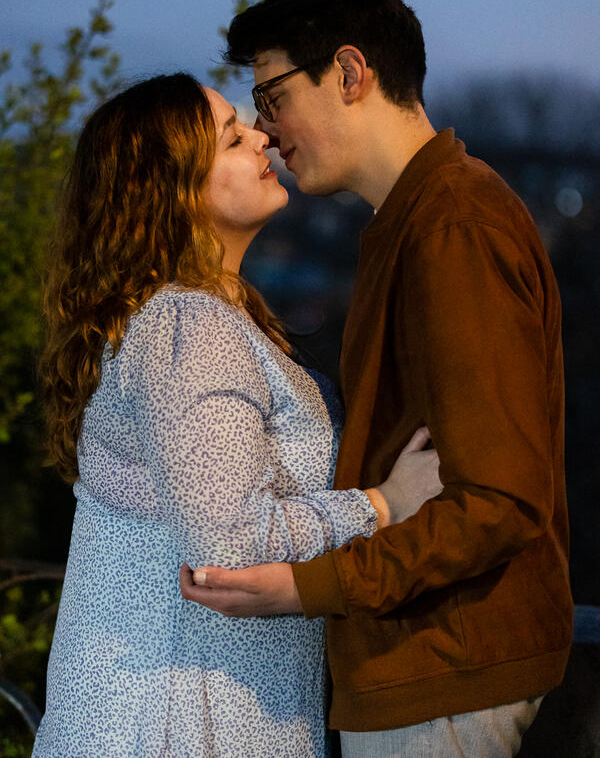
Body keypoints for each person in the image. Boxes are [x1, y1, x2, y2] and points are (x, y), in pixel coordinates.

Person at [180, 0, 573, 756]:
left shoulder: (452, 226)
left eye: (274, 95)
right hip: (421, 669)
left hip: (444, 675)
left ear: (351, 73)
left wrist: (308, 586)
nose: (269, 130)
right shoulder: (414, 223)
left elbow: (498, 500)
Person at [32, 72, 441, 757]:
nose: (261, 136)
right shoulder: (187, 326)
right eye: (231, 137)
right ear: (175, 190)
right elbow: (227, 545)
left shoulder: (193, 317)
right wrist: (379, 504)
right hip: (177, 723)